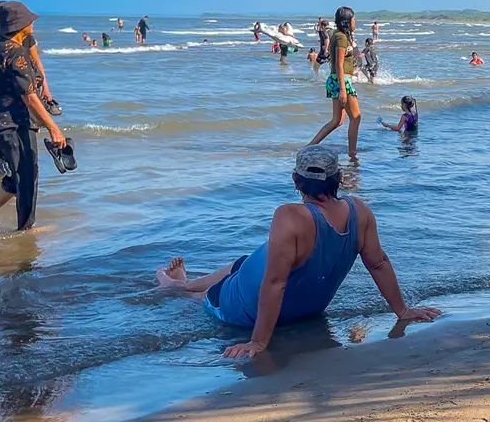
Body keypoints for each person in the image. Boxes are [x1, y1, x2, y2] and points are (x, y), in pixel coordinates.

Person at [154, 145, 441, 359]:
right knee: (242, 263)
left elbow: (275, 283)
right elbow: (378, 264)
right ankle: (183, 282)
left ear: (295, 180)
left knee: (205, 295)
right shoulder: (360, 211)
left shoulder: (289, 216)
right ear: (339, 178)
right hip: (295, 303)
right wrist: (402, 310)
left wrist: (258, 342)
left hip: (238, 308)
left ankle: (176, 285)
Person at [0, 2, 67, 232]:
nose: (33, 23)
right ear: (19, 25)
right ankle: (25, 229)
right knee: (26, 176)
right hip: (10, 121)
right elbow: (29, 96)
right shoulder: (16, 52)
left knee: (20, 174)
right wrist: (53, 127)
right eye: (29, 20)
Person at [0, 4, 56, 176]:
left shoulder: (25, 37)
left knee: (20, 130)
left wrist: (46, 89)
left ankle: (8, 171)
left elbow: (36, 64)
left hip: (18, 84)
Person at [309, 7, 362, 164]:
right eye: (353, 19)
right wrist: (343, 90)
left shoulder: (341, 36)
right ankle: (352, 154)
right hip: (341, 81)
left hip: (337, 80)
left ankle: (309, 147)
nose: (355, 22)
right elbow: (338, 64)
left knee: (337, 121)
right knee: (356, 118)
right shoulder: (340, 37)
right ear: (348, 21)